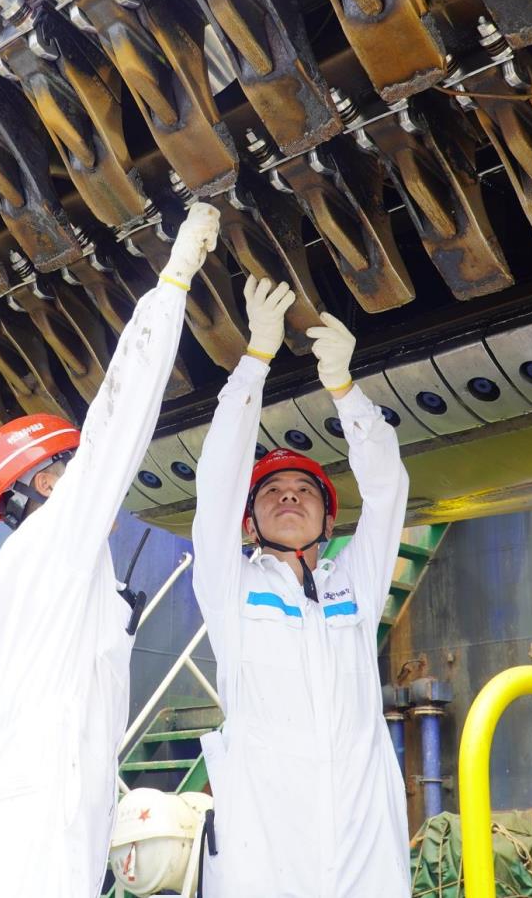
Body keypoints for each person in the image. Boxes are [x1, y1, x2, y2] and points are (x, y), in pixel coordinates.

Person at [0, 202, 221, 898]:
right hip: (41, 829)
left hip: (46, 818)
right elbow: (119, 418)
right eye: (71, 468)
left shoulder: (39, 573)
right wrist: (173, 284)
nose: (95, 486)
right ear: (46, 481)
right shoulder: (52, 542)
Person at [191, 275, 413, 898]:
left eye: (304, 490)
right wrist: (255, 359)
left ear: (328, 521)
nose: (289, 496)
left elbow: (388, 489)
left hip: (363, 850)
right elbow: (217, 482)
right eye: (271, 491)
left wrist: (345, 388)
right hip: (266, 854)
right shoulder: (230, 588)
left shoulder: (355, 587)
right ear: (249, 522)